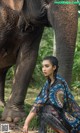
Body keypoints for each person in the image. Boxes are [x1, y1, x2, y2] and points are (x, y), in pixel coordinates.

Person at [23, 56, 80, 133]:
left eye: (47, 66)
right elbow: (38, 103)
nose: (44, 69)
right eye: (43, 66)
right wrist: (26, 123)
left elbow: (58, 106)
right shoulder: (48, 83)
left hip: (71, 120)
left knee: (47, 110)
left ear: (54, 67)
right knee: (44, 110)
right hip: (60, 116)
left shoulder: (59, 83)